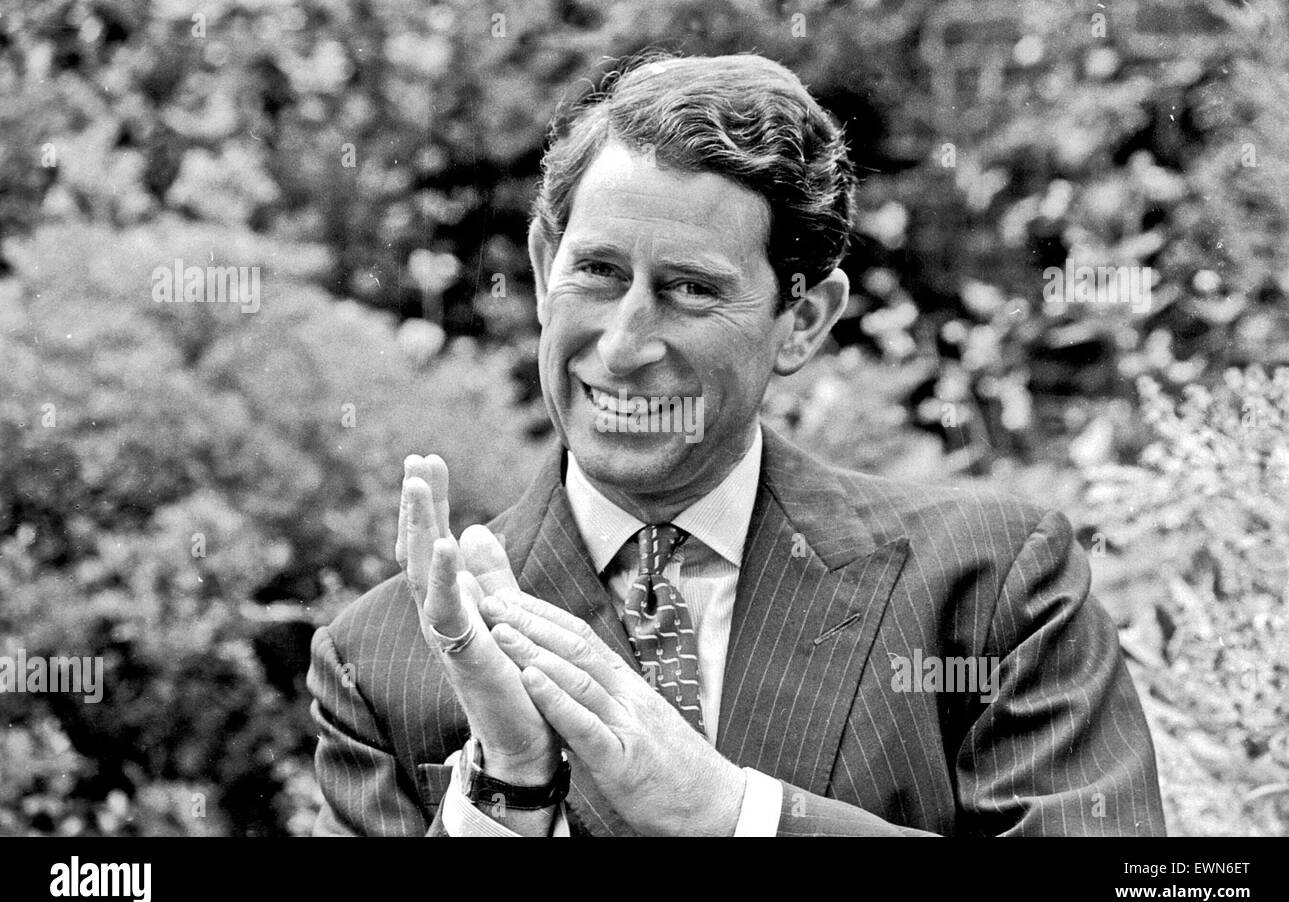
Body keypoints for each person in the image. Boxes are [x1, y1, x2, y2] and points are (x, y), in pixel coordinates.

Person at [306, 52, 1165, 837]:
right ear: (541, 269)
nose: (624, 345)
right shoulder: (380, 661)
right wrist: (509, 798)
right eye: (599, 273)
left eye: (689, 289)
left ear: (802, 322)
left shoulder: (996, 592)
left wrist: (732, 812)